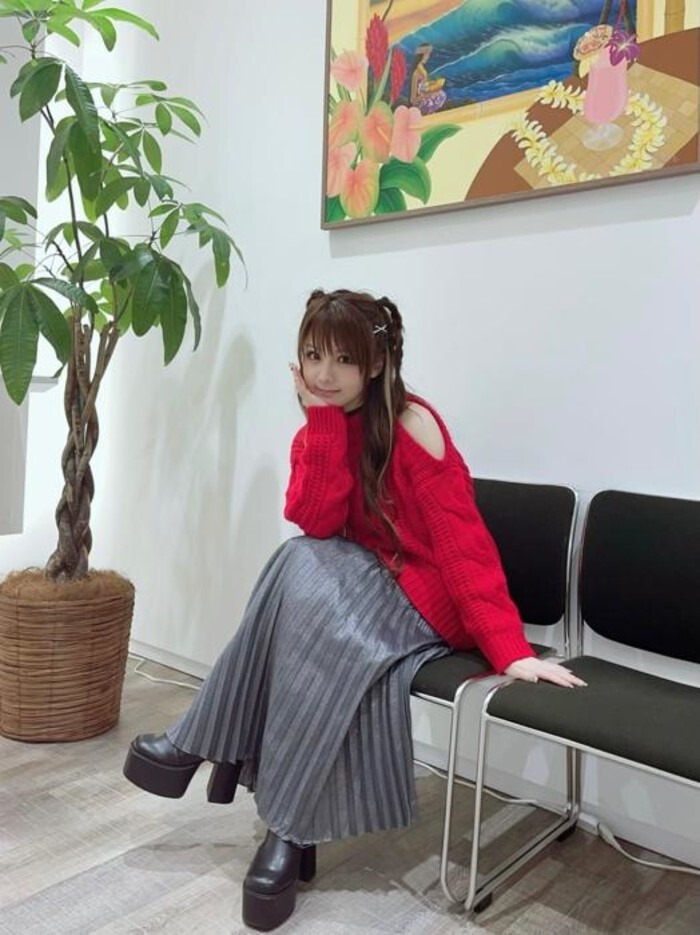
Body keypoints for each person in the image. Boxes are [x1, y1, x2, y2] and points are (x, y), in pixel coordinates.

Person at [123, 288, 585, 932]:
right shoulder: (321, 427)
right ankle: (287, 830)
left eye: (343, 359)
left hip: (428, 599)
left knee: (309, 604)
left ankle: (206, 753)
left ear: (376, 363)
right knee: (298, 566)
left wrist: (509, 650)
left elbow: (465, 545)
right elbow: (314, 522)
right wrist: (322, 425)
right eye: (313, 355)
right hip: (369, 582)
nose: (324, 373)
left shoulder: (413, 424)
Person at [409, 44, 447, 114]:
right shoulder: (416, 73)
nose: (428, 57)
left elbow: (425, 87)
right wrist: (425, 95)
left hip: (425, 96)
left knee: (441, 93)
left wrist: (435, 85)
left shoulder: (422, 70)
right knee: (440, 95)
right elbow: (413, 99)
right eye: (427, 54)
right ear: (422, 55)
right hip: (421, 102)